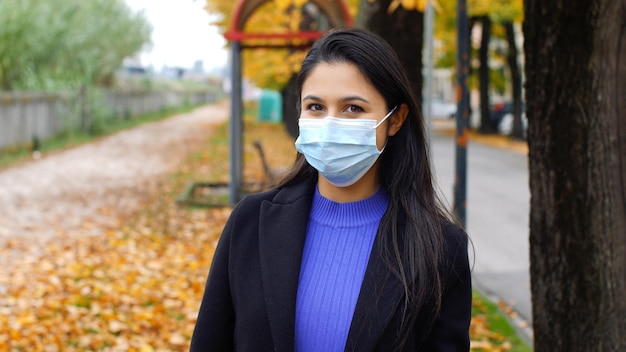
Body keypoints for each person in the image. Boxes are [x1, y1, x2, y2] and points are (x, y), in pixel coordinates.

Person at [190, 28, 472, 352]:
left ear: (395, 120)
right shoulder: (251, 222)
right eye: (315, 107)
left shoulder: (440, 248)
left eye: (353, 108)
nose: (330, 123)